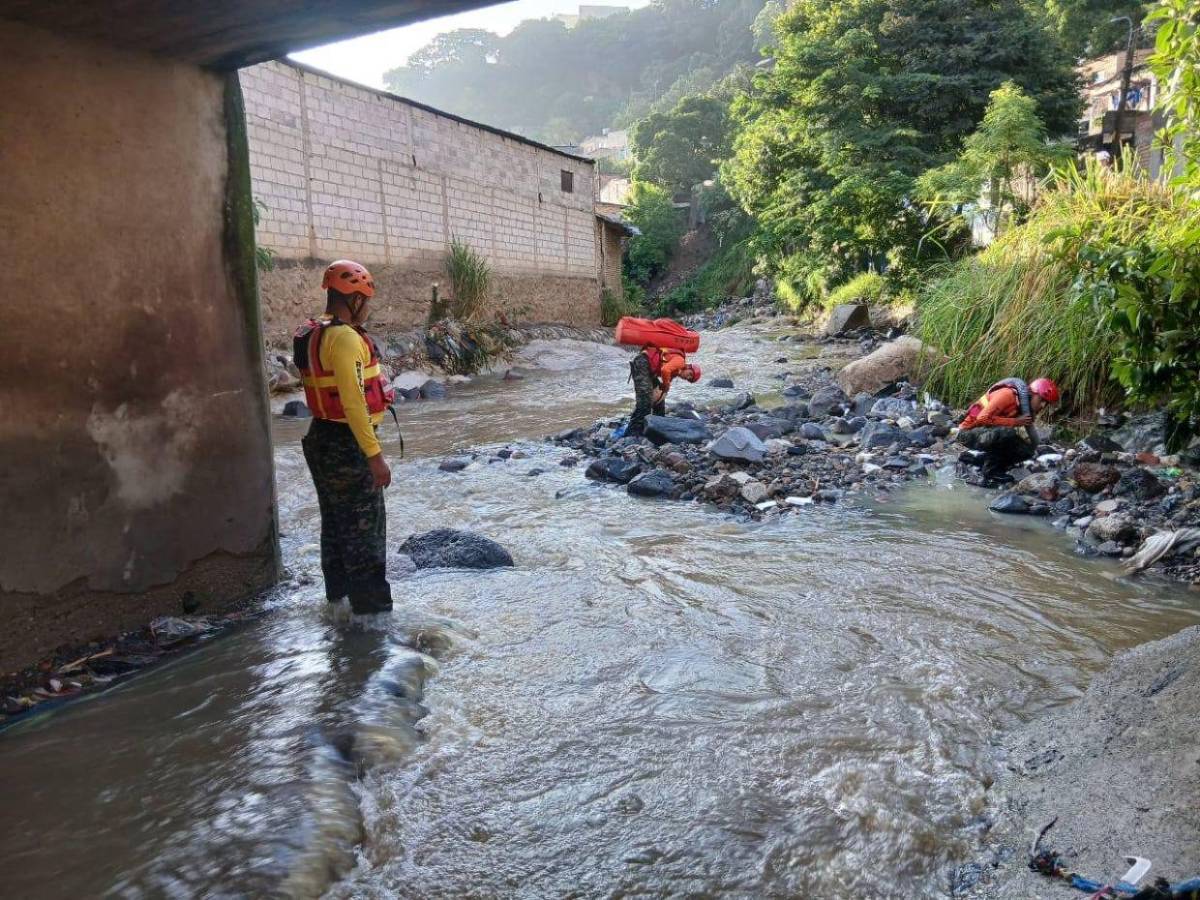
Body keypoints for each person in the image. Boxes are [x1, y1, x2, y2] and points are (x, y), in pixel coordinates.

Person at [294, 260, 396, 617]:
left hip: (320, 437)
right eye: (365, 300)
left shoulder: (316, 332)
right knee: (366, 535)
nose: (368, 308)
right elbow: (355, 404)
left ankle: (337, 606)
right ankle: (374, 620)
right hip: (347, 444)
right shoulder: (345, 339)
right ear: (353, 300)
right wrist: (374, 455)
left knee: (336, 525)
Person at [957, 377, 1060, 481]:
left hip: (985, 433)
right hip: (967, 433)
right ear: (1033, 393)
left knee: (1026, 451)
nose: (1042, 405)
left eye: (1046, 403)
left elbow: (1031, 440)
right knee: (1007, 433)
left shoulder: (1024, 406)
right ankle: (990, 472)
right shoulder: (1007, 395)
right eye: (1041, 400)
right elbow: (982, 418)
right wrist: (1015, 422)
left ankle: (978, 460)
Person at [627, 345, 701, 436]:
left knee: (660, 404)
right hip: (643, 363)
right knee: (645, 402)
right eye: (690, 374)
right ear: (688, 367)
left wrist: (664, 391)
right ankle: (633, 433)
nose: (687, 377)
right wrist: (666, 386)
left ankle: (658, 427)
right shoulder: (680, 362)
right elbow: (665, 370)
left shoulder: (676, 372)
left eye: (689, 379)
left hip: (649, 370)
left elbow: (665, 385)